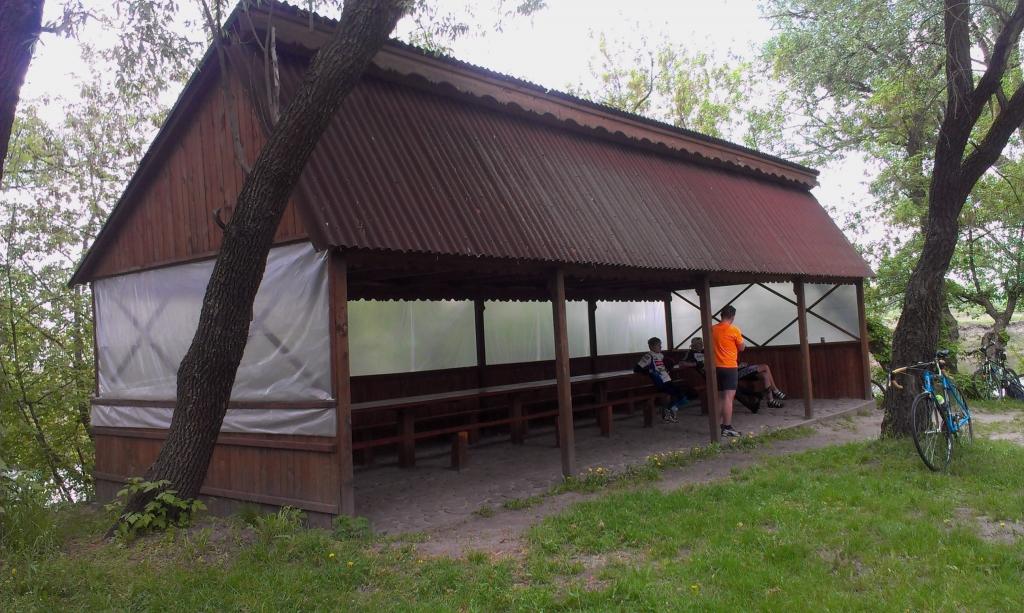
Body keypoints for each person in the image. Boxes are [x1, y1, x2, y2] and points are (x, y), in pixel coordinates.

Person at [680, 337, 762, 413]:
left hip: (718, 372)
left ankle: (758, 395)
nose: (701, 345)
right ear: (693, 345)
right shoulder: (691, 353)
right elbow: (681, 363)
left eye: (702, 343)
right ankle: (752, 405)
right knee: (733, 389)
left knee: (735, 387)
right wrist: (695, 364)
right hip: (710, 376)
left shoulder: (706, 351)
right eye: (699, 344)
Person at [634, 337, 698, 423]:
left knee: (692, 392)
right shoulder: (648, 357)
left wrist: (668, 367)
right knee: (679, 393)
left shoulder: (661, 355)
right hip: (661, 384)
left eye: (660, 345)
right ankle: (667, 410)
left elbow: (667, 364)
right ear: (652, 347)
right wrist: (649, 371)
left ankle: (673, 409)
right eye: (658, 345)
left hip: (668, 381)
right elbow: (636, 368)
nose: (660, 347)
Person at [711, 305, 744, 437]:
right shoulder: (734, 330)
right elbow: (741, 347)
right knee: (728, 398)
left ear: (721, 315)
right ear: (732, 317)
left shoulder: (712, 329)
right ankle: (727, 426)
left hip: (716, 367)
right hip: (729, 367)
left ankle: (718, 425)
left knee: (720, 397)